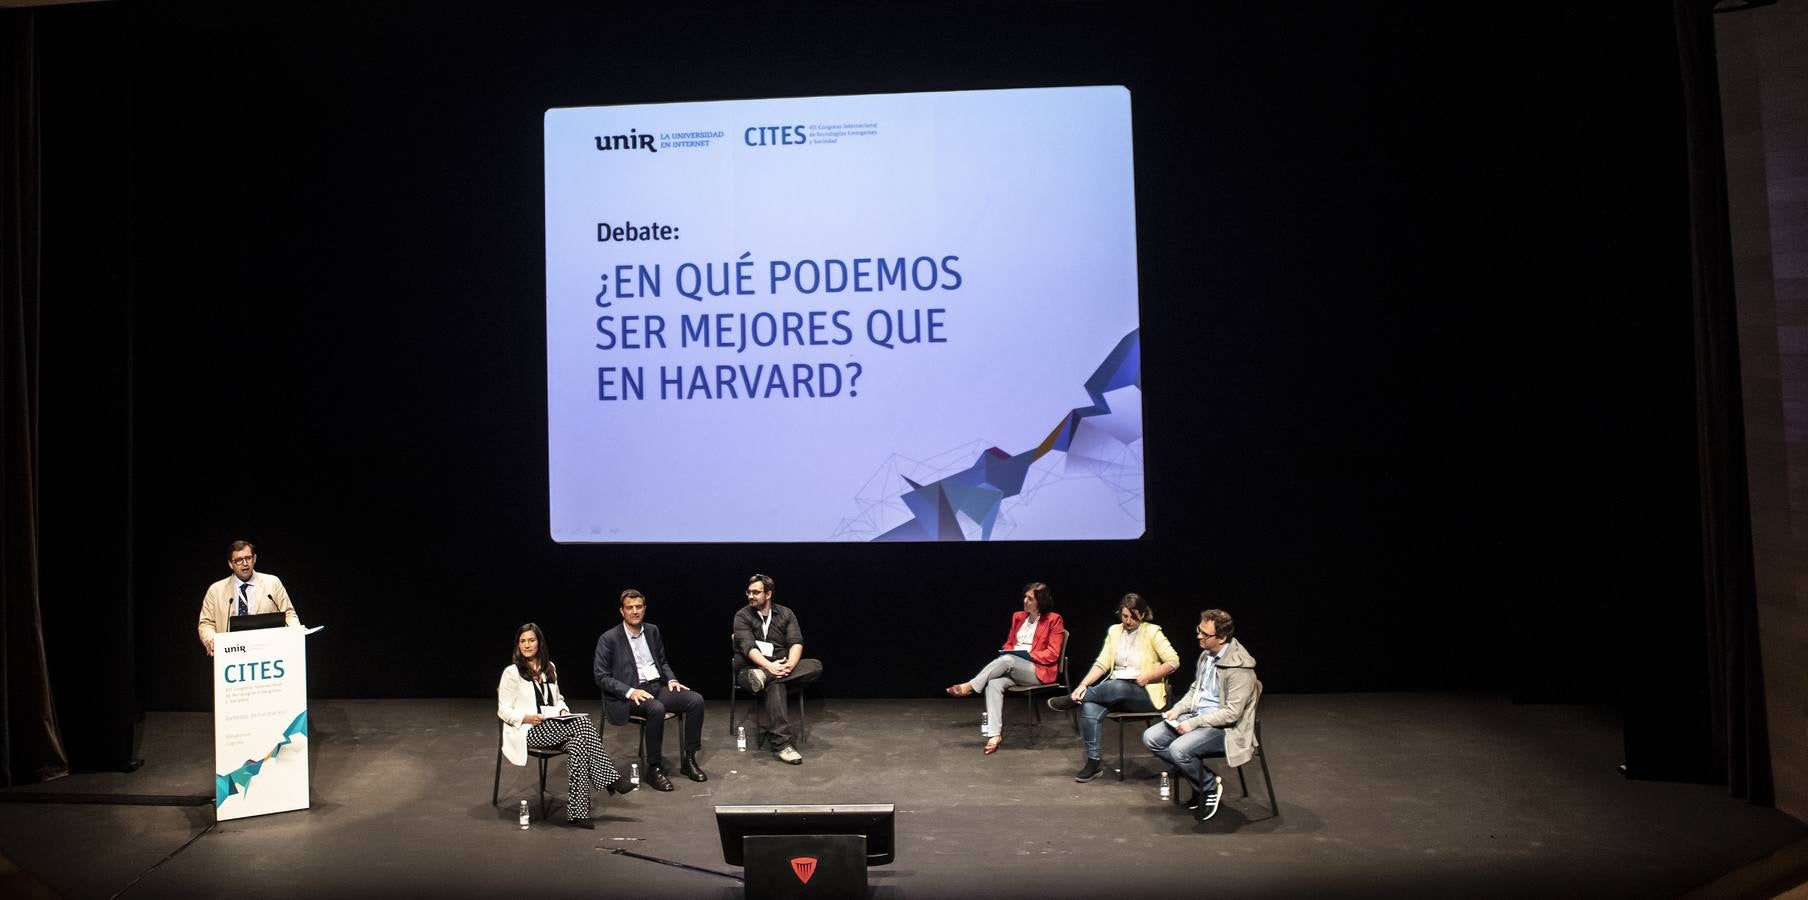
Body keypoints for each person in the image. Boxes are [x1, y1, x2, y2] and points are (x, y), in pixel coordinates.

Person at [498, 623, 633, 828]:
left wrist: (562, 710)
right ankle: (610, 778)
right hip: (527, 731)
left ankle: (579, 813)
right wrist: (527, 717)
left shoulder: (549, 667)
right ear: (518, 645)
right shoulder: (512, 672)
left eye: (531, 640)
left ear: (539, 643)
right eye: (523, 641)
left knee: (579, 744)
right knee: (583, 723)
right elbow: (503, 710)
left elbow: (558, 698)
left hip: (552, 726)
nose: (527, 645)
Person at [1049, 592, 1180, 782]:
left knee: (1116, 687)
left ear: (1142, 615)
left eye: (1131, 616)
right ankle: (1093, 763)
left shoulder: (1152, 632)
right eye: (1124, 615)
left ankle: (1072, 699)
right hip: (1113, 691)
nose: (1126, 621)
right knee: (1091, 705)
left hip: (1144, 693)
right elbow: (1102, 663)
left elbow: (1174, 661)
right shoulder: (1114, 631)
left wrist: (1149, 675)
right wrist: (1083, 685)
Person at [1143, 608, 1258, 820]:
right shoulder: (1206, 656)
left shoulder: (1239, 668)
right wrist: (1178, 709)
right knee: (1152, 738)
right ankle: (1206, 779)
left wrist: (1195, 723)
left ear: (1222, 637)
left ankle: (1207, 787)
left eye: (1205, 634)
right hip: (1199, 716)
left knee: (1179, 749)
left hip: (1225, 728)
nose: (1199, 636)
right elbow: (1196, 689)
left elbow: (1231, 714)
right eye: (1199, 630)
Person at [593, 589, 708, 791]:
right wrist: (630, 691)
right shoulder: (609, 638)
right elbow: (601, 676)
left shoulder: (652, 631)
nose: (635, 611)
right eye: (630, 607)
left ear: (644, 609)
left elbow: (662, 662)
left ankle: (689, 760)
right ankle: (654, 768)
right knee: (656, 709)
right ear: (622, 611)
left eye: (639, 607)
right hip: (628, 695)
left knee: (695, 700)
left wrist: (671, 679)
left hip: (656, 686)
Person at [944, 581, 1066, 754]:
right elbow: (1010, 643)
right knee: (993, 684)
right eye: (1025, 597)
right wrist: (1011, 651)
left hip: (1038, 671)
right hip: (1015, 667)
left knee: (1008, 659)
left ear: (1041, 601)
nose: (1025, 601)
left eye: (1030, 599)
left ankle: (970, 686)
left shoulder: (1054, 620)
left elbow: (1053, 654)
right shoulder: (1018, 617)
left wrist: (1026, 655)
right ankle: (994, 735)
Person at [732, 574, 823, 765]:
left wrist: (788, 665)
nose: (751, 596)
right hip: (750, 670)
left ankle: (766, 677)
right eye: (748, 592)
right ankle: (783, 746)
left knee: (815, 665)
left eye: (756, 592)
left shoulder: (786, 614)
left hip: (780, 669)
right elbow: (748, 647)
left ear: (768, 594)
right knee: (774, 685)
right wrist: (769, 666)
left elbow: (796, 642)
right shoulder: (742, 616)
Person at [196, 540, 301, 656]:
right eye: (239, 560)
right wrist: (211, 640)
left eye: (248, 558)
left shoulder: (272, 583)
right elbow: (206, 623)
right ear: (231, 564)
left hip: (269, 651)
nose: (245, 563)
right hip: (231, 653)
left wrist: (297, 633)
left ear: (254, 559)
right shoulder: (216, 590)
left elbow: (289, 614)